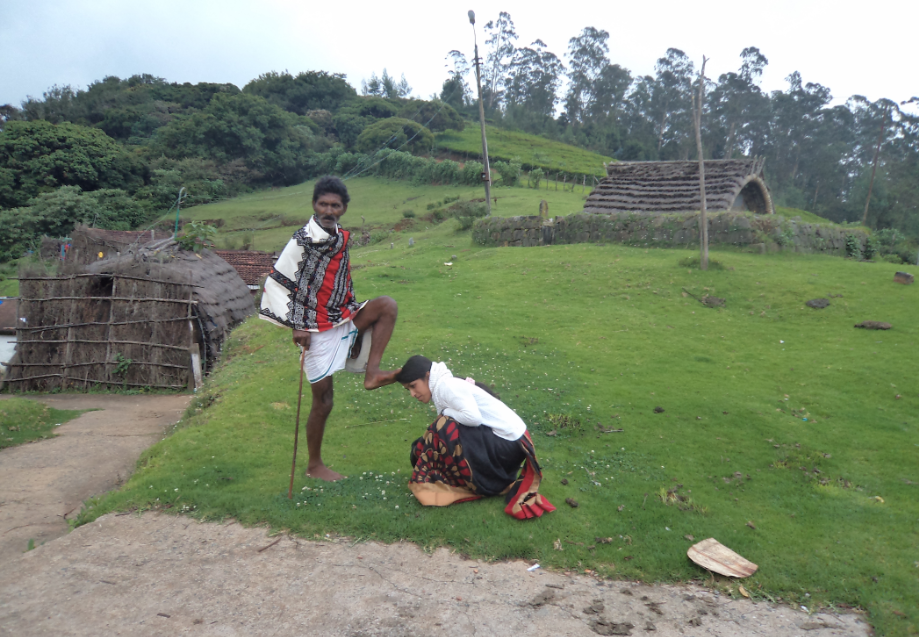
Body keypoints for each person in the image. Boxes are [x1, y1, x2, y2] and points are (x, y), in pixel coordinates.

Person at [260, 176, 399, 482]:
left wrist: (350, 311)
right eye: (323, 204)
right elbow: (278, 283)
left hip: (342, 317)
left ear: (344, 209)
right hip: (312, 328)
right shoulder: (301, 240)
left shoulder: (339, 238)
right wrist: (297, 326)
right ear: (314, 205)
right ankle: (314, 465)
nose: (328, 209)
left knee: (386, 305)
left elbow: (338, 282)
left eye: (335, 205)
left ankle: (372, 372)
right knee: (324, 402)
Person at [395, 355, 555, 520]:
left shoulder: (446, 386)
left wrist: (446, 413)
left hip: (510, 444)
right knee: (441, 428)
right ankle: (475, 478)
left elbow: (473, 418)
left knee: (444, 426)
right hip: (512, 442)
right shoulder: (444, 385)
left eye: (413, 386)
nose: (413, 394)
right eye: (408, 390)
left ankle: (482, 482)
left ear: (428, 376)